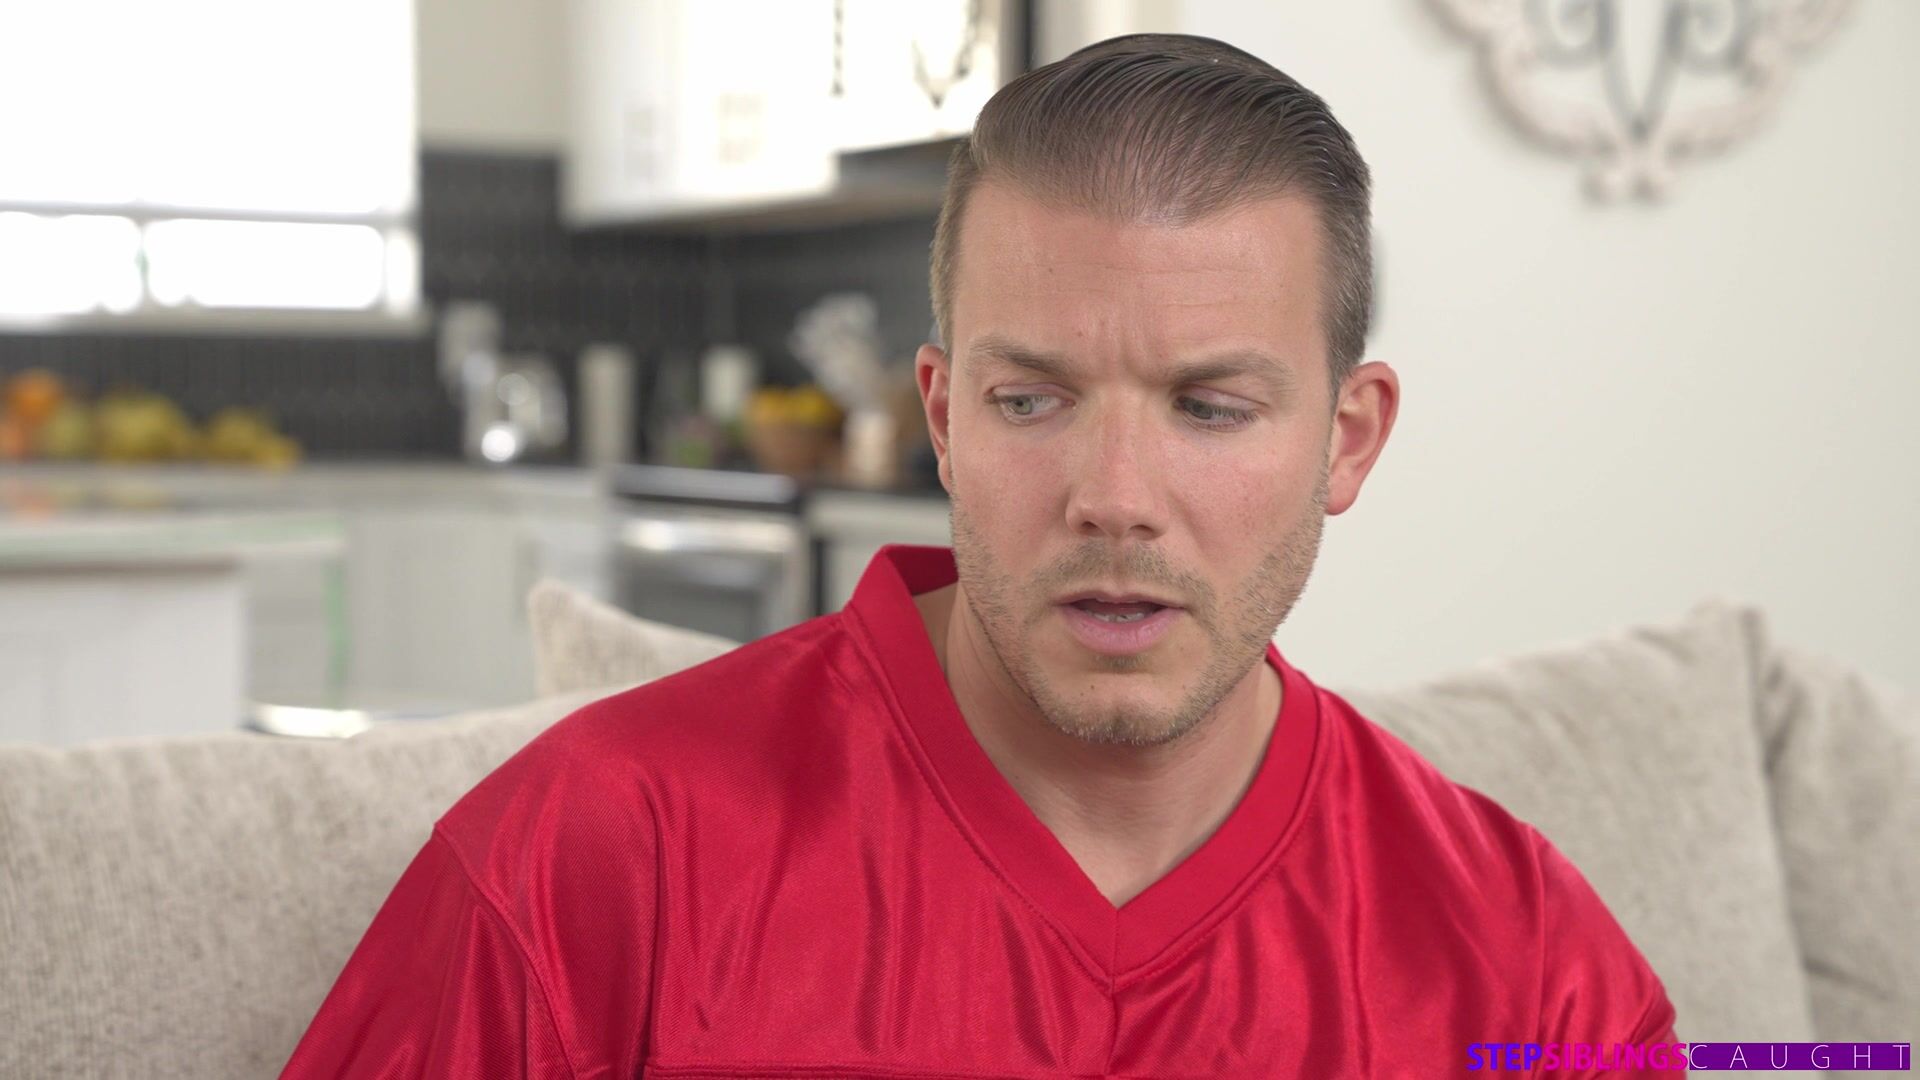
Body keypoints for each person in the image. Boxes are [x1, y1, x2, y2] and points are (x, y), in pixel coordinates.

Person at [282, 34, 1682, 1078]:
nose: (1115, 500)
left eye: (1209, 408)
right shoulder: (589, 859)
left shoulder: (1534, 971)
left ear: (1348, 440)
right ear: (943, 419)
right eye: (1031, 401)